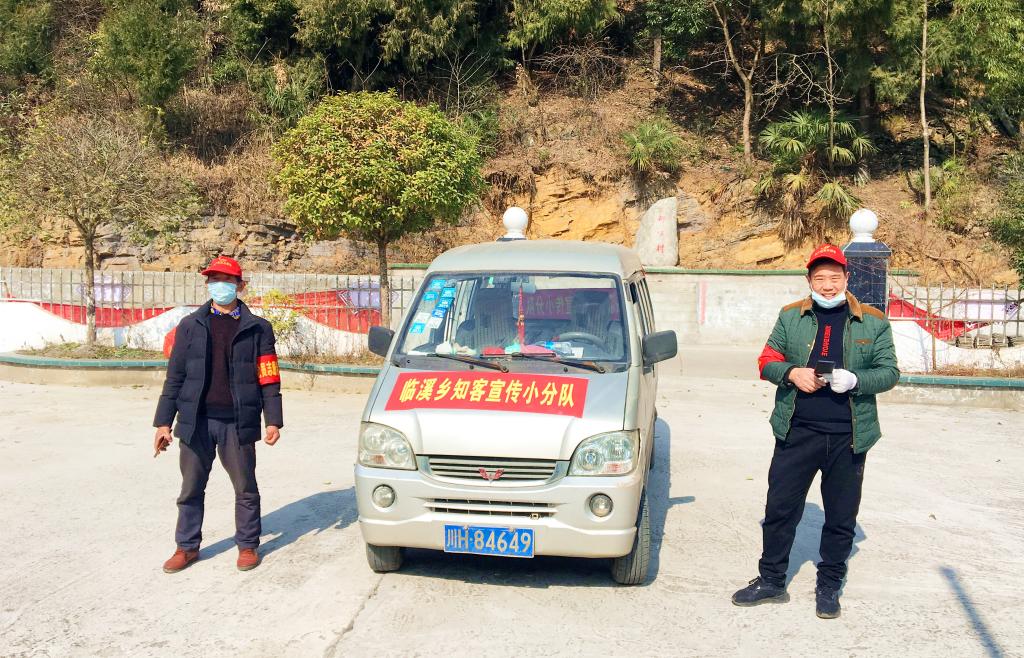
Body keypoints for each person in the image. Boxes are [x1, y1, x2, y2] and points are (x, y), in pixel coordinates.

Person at [732, 244, 899, 619]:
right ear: (809, 280)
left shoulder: (873, 321)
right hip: (797, 431)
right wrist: (793, 373)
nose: (827, 285)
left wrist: (855, 380)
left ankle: (829, 585)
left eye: (834, 277)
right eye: (820, 278)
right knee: (779, 510)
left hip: (849, 436)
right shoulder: (791, 316)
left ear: (847, 277)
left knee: (840, 516)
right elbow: (767, 360)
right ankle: (771, 580)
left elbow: (890, 372)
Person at [153, 256, 284, 573]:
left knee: (245, 488)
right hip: (196, 422)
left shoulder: (258, 328)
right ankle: (186, 547)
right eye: (213, 280)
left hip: (237, 423)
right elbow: (175, 377)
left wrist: (273, 420)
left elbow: (268, 376)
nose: (219, 285)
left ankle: (248, 545)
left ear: (240, 285)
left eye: (226, 280)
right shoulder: (190, 326)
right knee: (190, 489)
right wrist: (163, 422)